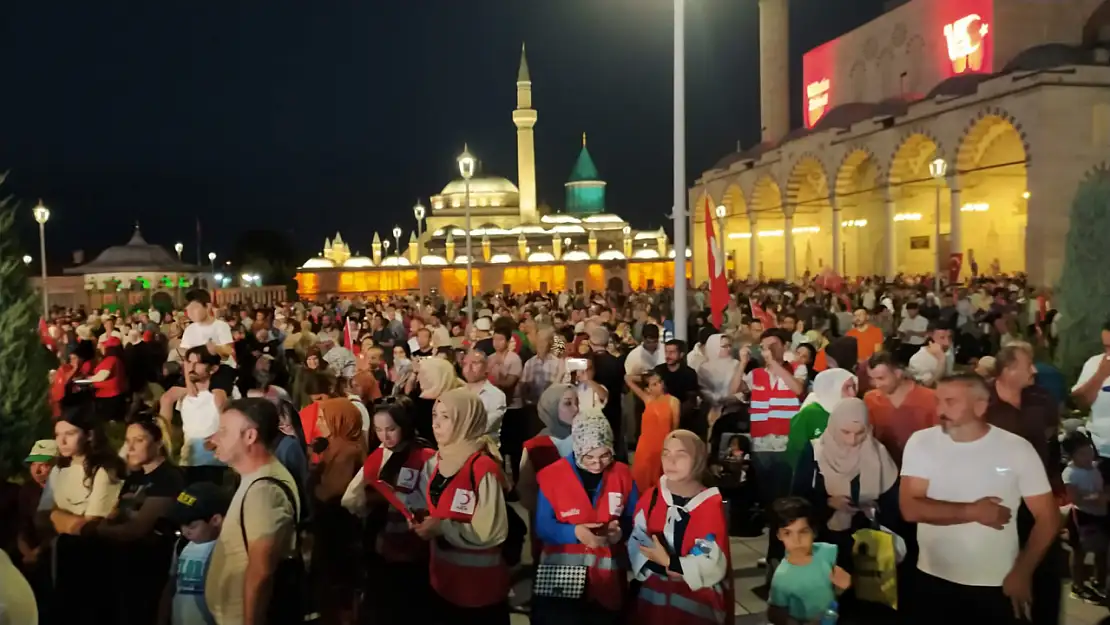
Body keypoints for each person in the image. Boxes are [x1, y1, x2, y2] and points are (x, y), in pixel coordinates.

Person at [899, 373, 1058, 624]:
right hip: (932, 576)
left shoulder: (1017, 449)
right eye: (938, 400)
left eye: (951, 401)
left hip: (995, 582)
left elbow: (1048, 517)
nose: (941, 409)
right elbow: (910, 508)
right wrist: (973, 512)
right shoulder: (921, 443)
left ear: (980, 406)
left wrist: (1023, 571)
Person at [413, 388, 510, 624]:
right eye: (435, 415)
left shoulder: (482, 467)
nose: (436, 424)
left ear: (467, 420)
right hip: (444, 582)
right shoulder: (439, 461)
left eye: (445, 417)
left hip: (479, 592)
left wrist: (442, 527)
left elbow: (492, 531)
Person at [532, 413, 638, 624]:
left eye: (605, 455)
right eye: (588, 457)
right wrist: (574, 532)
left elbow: (633, 518)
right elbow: (542, 526)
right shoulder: (552, 476)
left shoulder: (623, 475)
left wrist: (621, 532)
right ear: (577, 449)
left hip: (607, 582)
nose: (597, 464)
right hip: (561, 582)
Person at [206, 398, 302, 625]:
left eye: (224, 431)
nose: (214, 439)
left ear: (250, 436)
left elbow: (261, 570)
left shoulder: (264, 490)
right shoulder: (254, 480)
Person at [628, 430, 733, 624]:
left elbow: (711, 561)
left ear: (698, 459)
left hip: (696, 606)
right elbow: (637, 540)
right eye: (666, 453)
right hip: (654, 603)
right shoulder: (651, 498)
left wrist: (668, 562)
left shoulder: (709, 506)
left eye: (681, 454)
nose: (671, 461)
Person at [790, 398, 900, 573]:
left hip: (867, 540)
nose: (852, 440)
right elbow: (797, 499)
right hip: (823, 537)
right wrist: (828, 503)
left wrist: (872, 508)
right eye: (845, 432)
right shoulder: (815, 452)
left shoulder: (878, 453)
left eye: (860, 433)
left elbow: (893, 500)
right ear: (833, 426)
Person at [359, 399, 435, 625]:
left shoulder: (425, 455)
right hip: (382, 539)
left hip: (414, 542)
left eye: (391, 429)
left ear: (406, 425)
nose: (385, 436)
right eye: (379, 430)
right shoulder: (379, 454)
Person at [311, 398, 368, 625]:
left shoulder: (346, 450)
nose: (319, 422)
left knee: (338, 573)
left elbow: (333, 490)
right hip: (332, 519)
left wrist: (313, 483)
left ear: (340, 421)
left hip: (338, 521)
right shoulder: (332, 444)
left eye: (324, 418)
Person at [767, 497, 851, 625]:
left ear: (814, 532)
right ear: (779, 536)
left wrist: (845, 585)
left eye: (803, 532)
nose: (797, 540)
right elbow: (775, 614)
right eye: (788, 533)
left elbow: (836, 587)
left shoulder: (827, 552)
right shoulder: (782, 576)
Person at [163, 482, 231, 625]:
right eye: (181, 525)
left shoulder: (228, 549)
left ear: (216, 520)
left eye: (192, 526)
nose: (185, 531)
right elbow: (172, 585)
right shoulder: (182, 544)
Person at [863, 352, 938, 465]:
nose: (876, 385)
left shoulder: (931, 398)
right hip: (887, 468)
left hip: (923, 467)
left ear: (898, 373)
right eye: (872, 379)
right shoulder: (870, 399)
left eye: (881, 378)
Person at [1061, 432, 1108, 602]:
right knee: (1079, 552)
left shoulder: (1096, 467)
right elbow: (1074, 498)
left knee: (1102, 551)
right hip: (1082, 516)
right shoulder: (1070, 473)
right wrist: (1095, 498)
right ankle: (1078, 586)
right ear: (1071, 455)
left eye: (1089, 451)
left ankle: (1099, 582)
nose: (1088, 456)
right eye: (1082, 453)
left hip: (1101, 515)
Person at [784, 369, 857, 470]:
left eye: (854, 387)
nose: (853, 393)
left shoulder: (856, 412)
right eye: (847, 387)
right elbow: (794, 452)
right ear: (833, 389)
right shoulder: (810, 413)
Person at [626, 371, 680, 494]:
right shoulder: (648, 399)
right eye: (654, 384)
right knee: (641, 485)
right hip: (645, 449)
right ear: (648, 389)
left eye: (660, 381)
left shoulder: (673, 401)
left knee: (660, 486)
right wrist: (645, 376)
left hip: (662, 448)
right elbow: (628, 378)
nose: (660, 385)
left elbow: (675, 428)